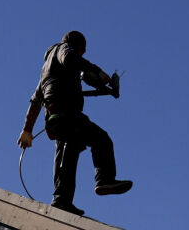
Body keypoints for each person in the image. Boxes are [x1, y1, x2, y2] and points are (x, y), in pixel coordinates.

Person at [17, 30, 131, 214]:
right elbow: (70, 59)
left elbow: (36, 101)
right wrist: (95, 70)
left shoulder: (47, 69)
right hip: (68, 115)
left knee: (67, 153)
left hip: (56, 119)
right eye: (82, 52)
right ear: (78, 46)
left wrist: (27, 130)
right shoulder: (64, 49)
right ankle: (104, 180)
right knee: (101, 140)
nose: (81, 56)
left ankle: (61, 200)